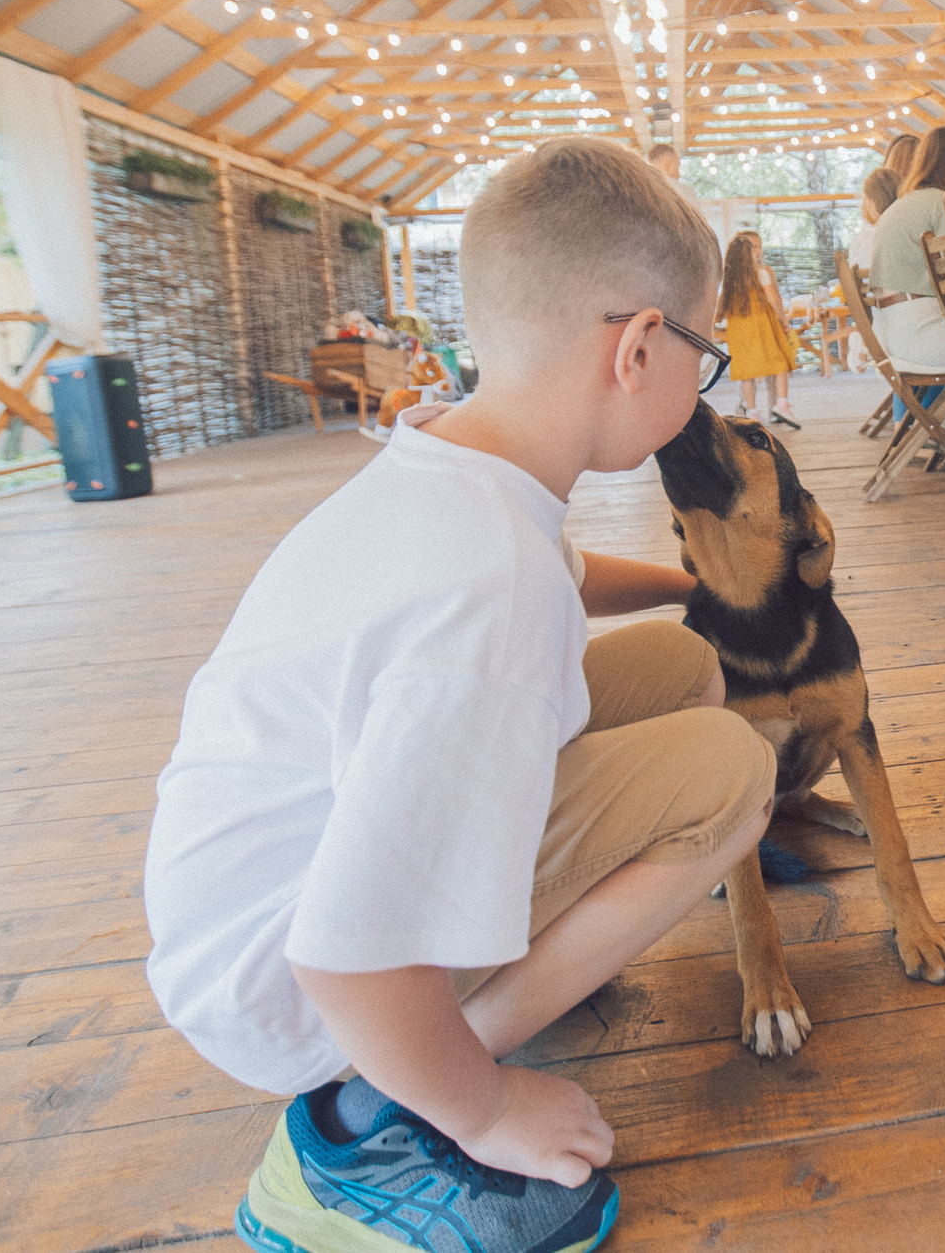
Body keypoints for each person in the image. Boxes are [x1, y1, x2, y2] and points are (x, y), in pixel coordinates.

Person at [144, 139, 776, 1253]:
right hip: (299, 990)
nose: (703, 382)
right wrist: (488, 1109)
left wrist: (702, 584)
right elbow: (345, 954)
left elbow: (575, 584)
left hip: (261, 899)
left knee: (681, 666)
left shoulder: (452, 464)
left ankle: (466, 1015)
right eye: (704, 354)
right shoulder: (490, 594)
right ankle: (371, 1128)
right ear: (639, 349)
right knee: (734, 775)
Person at [866, 125, 945, 446]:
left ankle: (939, 429)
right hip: (922, 337)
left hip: (894, 337)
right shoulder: (942, 203)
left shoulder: (908, 204)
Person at [719, 228, 802, 430]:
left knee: (746, 372)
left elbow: (722, 302)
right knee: (779, 363)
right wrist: (783, 319)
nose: (758, 251)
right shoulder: (762, 272)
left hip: (738, 329)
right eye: (753, 247)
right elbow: (773, 297)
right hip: (761, 326)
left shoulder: (730, 276)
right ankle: (781, 404)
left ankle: (752, 411)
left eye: (760, 246)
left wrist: (716, 320)